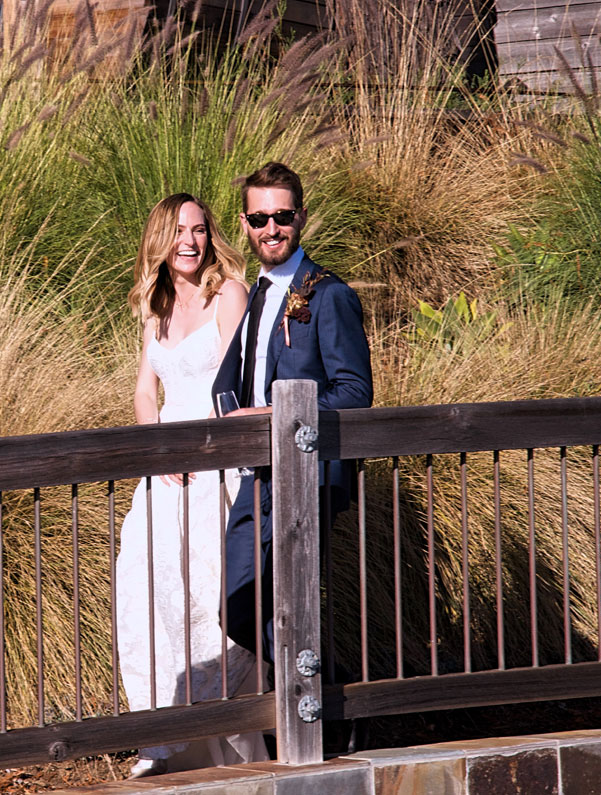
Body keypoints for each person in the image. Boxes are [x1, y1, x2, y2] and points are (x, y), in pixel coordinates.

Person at [116, 193, 268, 778]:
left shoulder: (227, 293)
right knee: (154, 598)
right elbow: (143, 390)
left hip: (215, 466)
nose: (191, 240)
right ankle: (168, 739)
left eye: (200, 230)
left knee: (213, 600)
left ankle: (228, 741)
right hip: (164, 476)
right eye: (180, 230)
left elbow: (242, 379)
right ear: (160, 237)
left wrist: (206, 446)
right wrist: (156, 447)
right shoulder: (154, 306)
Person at [211, 162, 373, 663]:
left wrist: (268, 415)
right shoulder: (256, 293)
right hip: (255, 475)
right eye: (259, 219)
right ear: (244, 224)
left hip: (304, 475)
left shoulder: (328, 294)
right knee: (237, 609)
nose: (271, 229)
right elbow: (239, 376)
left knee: (288, 607)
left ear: (301, 217)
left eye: (281, 216)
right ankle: (325, 695)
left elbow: (354, 391)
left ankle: (321, 714)